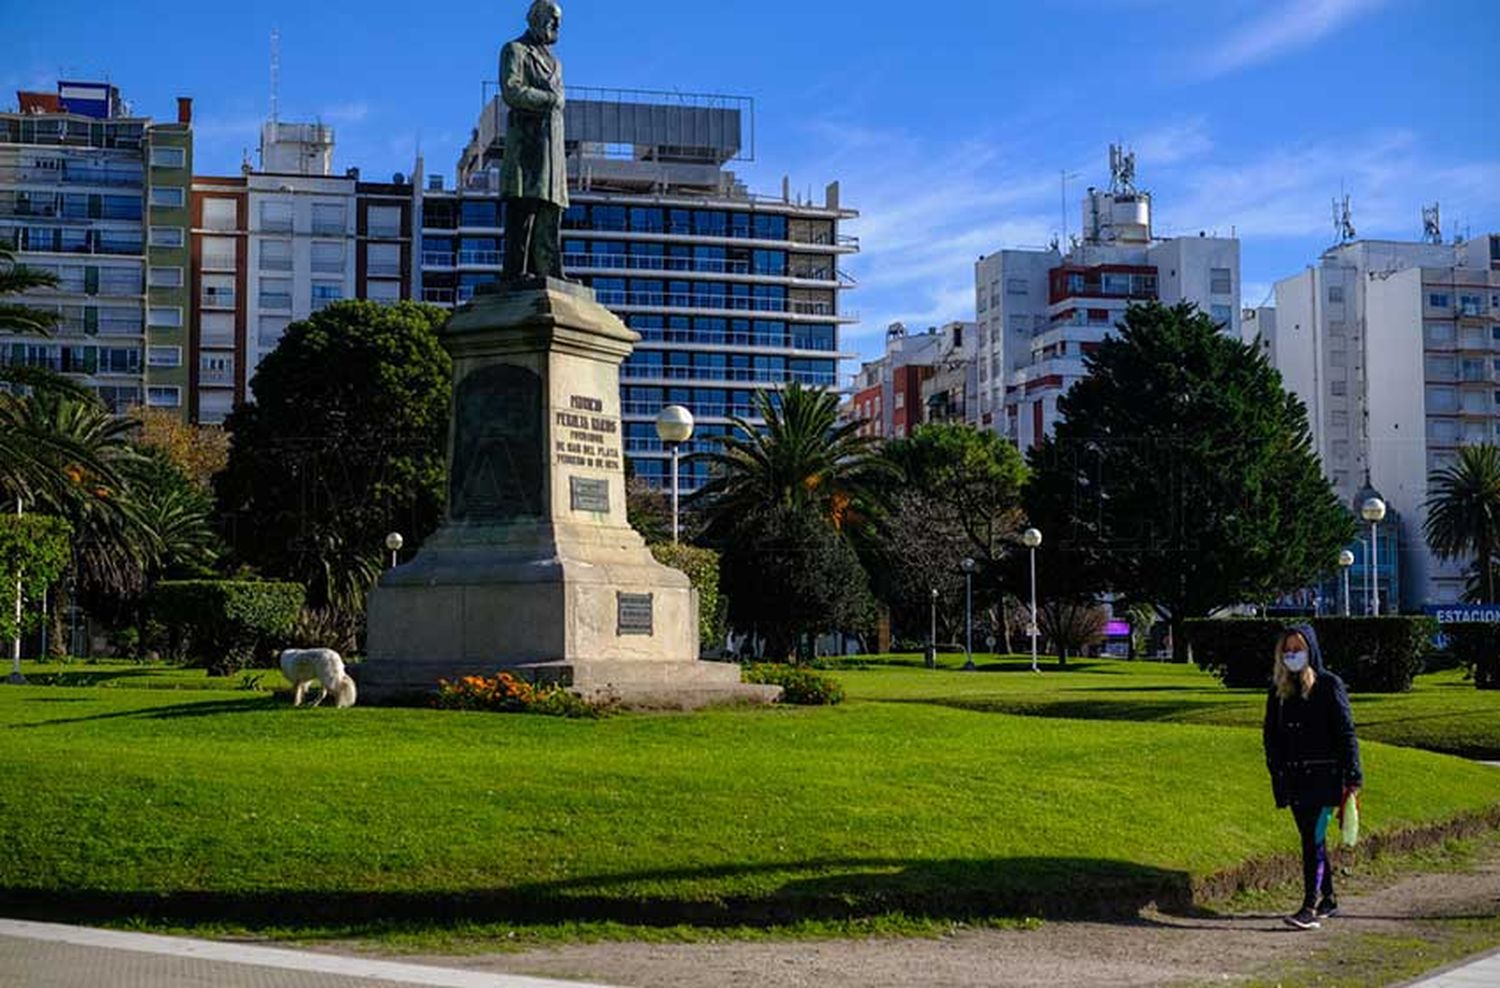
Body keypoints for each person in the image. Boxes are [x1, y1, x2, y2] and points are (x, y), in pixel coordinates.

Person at [1262, 623, 1362, 930]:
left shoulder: (1329, 685)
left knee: (1313, 838)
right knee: (1310, 837)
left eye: (1298, 649)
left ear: (1311, 651)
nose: (1292, 655)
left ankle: (1309, 904)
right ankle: (1328, 898)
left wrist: (1353, 777)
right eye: (1287, 650)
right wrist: (1276, 768)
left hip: (1325, 777)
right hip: (1295, 777)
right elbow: (1271, 733)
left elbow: (1346, 732)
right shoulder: (1279, 689)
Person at [499, 0, 568, 282]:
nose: (557, 25)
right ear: (536, 18)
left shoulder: (556, 63)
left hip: (552, 146)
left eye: (559, 20)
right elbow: (512, 91)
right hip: (527, 147)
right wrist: (550, 100)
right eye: (552, 19)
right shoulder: (515, 50)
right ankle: (517, 271)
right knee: (524, 208)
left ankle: (549, 268)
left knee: (550, 209)